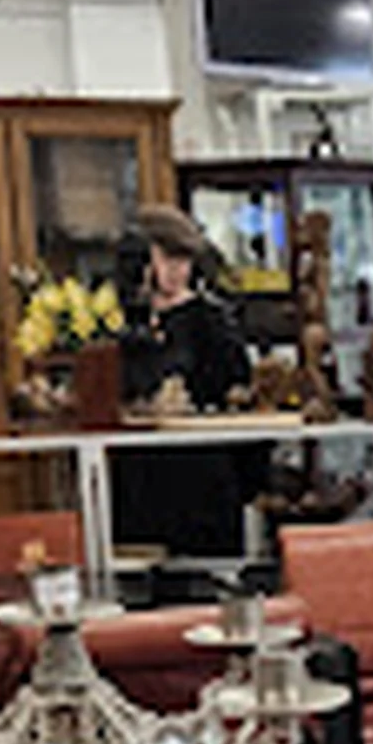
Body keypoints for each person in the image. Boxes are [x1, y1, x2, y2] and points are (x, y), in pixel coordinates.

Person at [113, 205, 258, 567]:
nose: (177, 270)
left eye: (184, 260)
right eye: (167, 259)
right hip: (139, 477)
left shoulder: (212, 320)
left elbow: (235, 389)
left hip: (200, 475)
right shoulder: (118, 319)